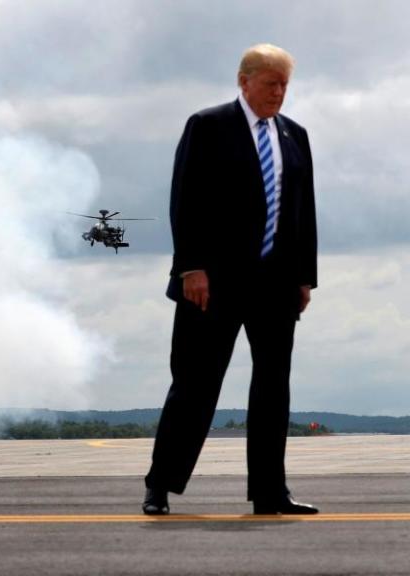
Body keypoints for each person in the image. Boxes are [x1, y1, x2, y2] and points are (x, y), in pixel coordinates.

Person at [143, 44, 318, 516]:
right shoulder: (208, 125)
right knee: (195, 385)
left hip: (276, 286)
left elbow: (303, 213)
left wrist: (304, 278)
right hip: (212, 285)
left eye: (284, 85)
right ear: (244, 82)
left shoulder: (294, 135)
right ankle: (160, 485)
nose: (278, 93)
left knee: (272, 388)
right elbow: (186, 200)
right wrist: (190, 268)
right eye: (270, 84)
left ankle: (270, 492)